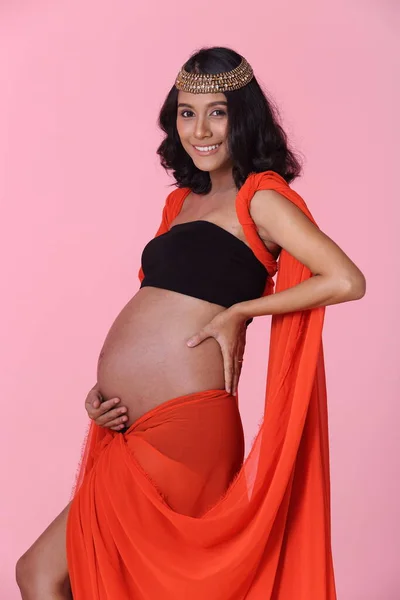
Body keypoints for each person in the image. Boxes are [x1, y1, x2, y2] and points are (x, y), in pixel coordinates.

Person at [16, 46, 366, 600]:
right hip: (125, 426)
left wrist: (241, 312)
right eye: (186, 112)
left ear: (243, 118)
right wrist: (105, 389)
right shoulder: (181, 202)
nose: (199, 128)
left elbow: (347, 279)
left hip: (187, 430)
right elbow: (154, 308)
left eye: (218, 111)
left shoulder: (261, 198)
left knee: (44, 572)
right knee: (65, 574)